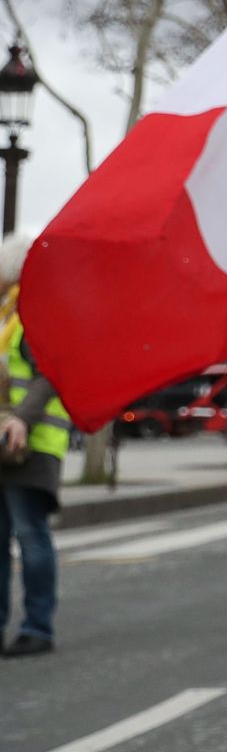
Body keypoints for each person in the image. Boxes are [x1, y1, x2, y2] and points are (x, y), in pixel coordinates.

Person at [0, 233, 65, 657]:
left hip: (32, 444)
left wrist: (21, 419)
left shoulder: (31, 314)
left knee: (30, 535)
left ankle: (38, 627)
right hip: (8, 442)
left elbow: (49, 375)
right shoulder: (9, 316)